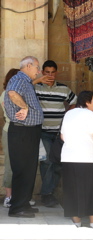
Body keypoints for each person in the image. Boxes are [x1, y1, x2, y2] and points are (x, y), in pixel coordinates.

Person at [60, 91, 93, 230]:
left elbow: (62, 137)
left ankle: (76, 224)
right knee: (90, 192)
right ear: (87, 102)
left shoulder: (68, 113)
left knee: (72, 191)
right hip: (86, 159)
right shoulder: (88, 114)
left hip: (68, 158)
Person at [4, 56, 48, 218]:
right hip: (22, 131)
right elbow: (12, 92)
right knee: (23, 169)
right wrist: (24, 107)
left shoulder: (26, 81)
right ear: (28, 66)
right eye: (37, 67)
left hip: (28, 131)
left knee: (28, 169)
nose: (39, 71)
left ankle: (23, 204)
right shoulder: (19, 78)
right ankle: (17, 208)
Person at [34, 60, 77, 207]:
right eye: (47, 72)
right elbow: (23, 90)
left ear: (56, 73)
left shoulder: (63, 89)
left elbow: (74, 102)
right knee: (47, 161)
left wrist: (67, 115)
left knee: (58, 163)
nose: (50, 75)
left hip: (59, 133)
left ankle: (50, 192)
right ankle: (46, 195)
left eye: (52, 72)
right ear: (42, 72)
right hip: (43, 132)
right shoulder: (36, 87)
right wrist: (38, 80)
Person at [1, 69, 19, 208]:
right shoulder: (5, 95)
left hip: (21, 132)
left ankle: (20, 196)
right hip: (10, 131)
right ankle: (9, 196)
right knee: (10, 165)